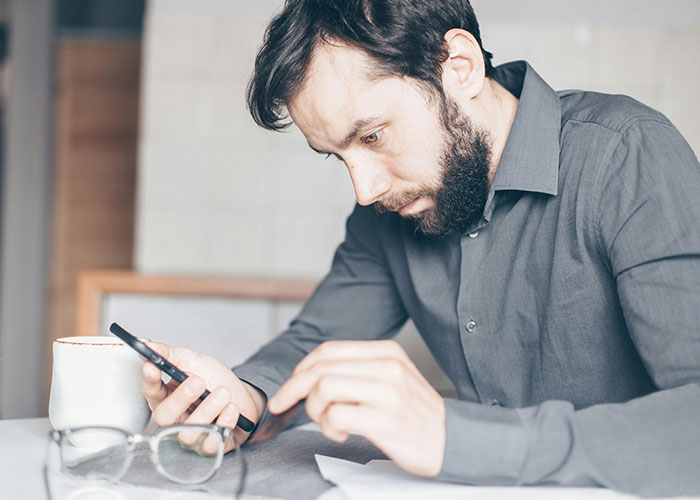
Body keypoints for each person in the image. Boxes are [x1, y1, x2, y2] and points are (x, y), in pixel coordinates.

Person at [141, 0, 700, 496]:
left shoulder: (627, 156)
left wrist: (456, 437)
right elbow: (313, 344)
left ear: (459, 67)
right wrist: (240, 399)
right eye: (338, 156)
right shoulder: (389, 211)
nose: (365, 189)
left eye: (373, 136)